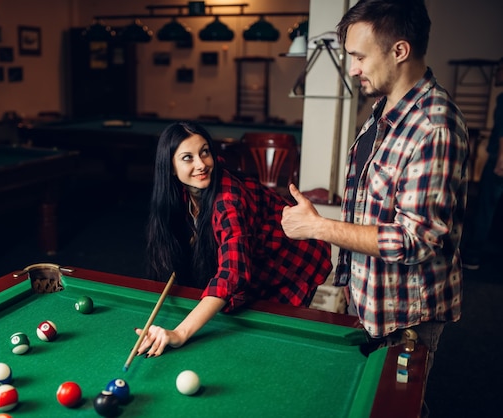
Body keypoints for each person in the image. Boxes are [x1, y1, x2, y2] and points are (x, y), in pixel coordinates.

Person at [280, 0, 468, 411]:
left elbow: (414, 240)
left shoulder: (434, 128)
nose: (353, 68)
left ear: (399, 51)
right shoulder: (382, 112)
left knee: (397, 410)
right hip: (370, 300)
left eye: (360, 56)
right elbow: (369, 209)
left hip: (406, 318)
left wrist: (318, 227)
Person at [135, 121, 332, 357]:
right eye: (188, 157)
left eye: (204, 152)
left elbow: (232, 274)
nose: (201, 164)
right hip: (258, 253)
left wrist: (180, 333)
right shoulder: (183, 188)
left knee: (267, 342)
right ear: (170, 168)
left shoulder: (227, 199)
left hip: (295, 260)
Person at [461, 57, 503, 270]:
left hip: (499, 162)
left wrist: (501, 161)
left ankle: (472, 256)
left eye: (499, 69)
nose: (496, 73)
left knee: (485, 209)